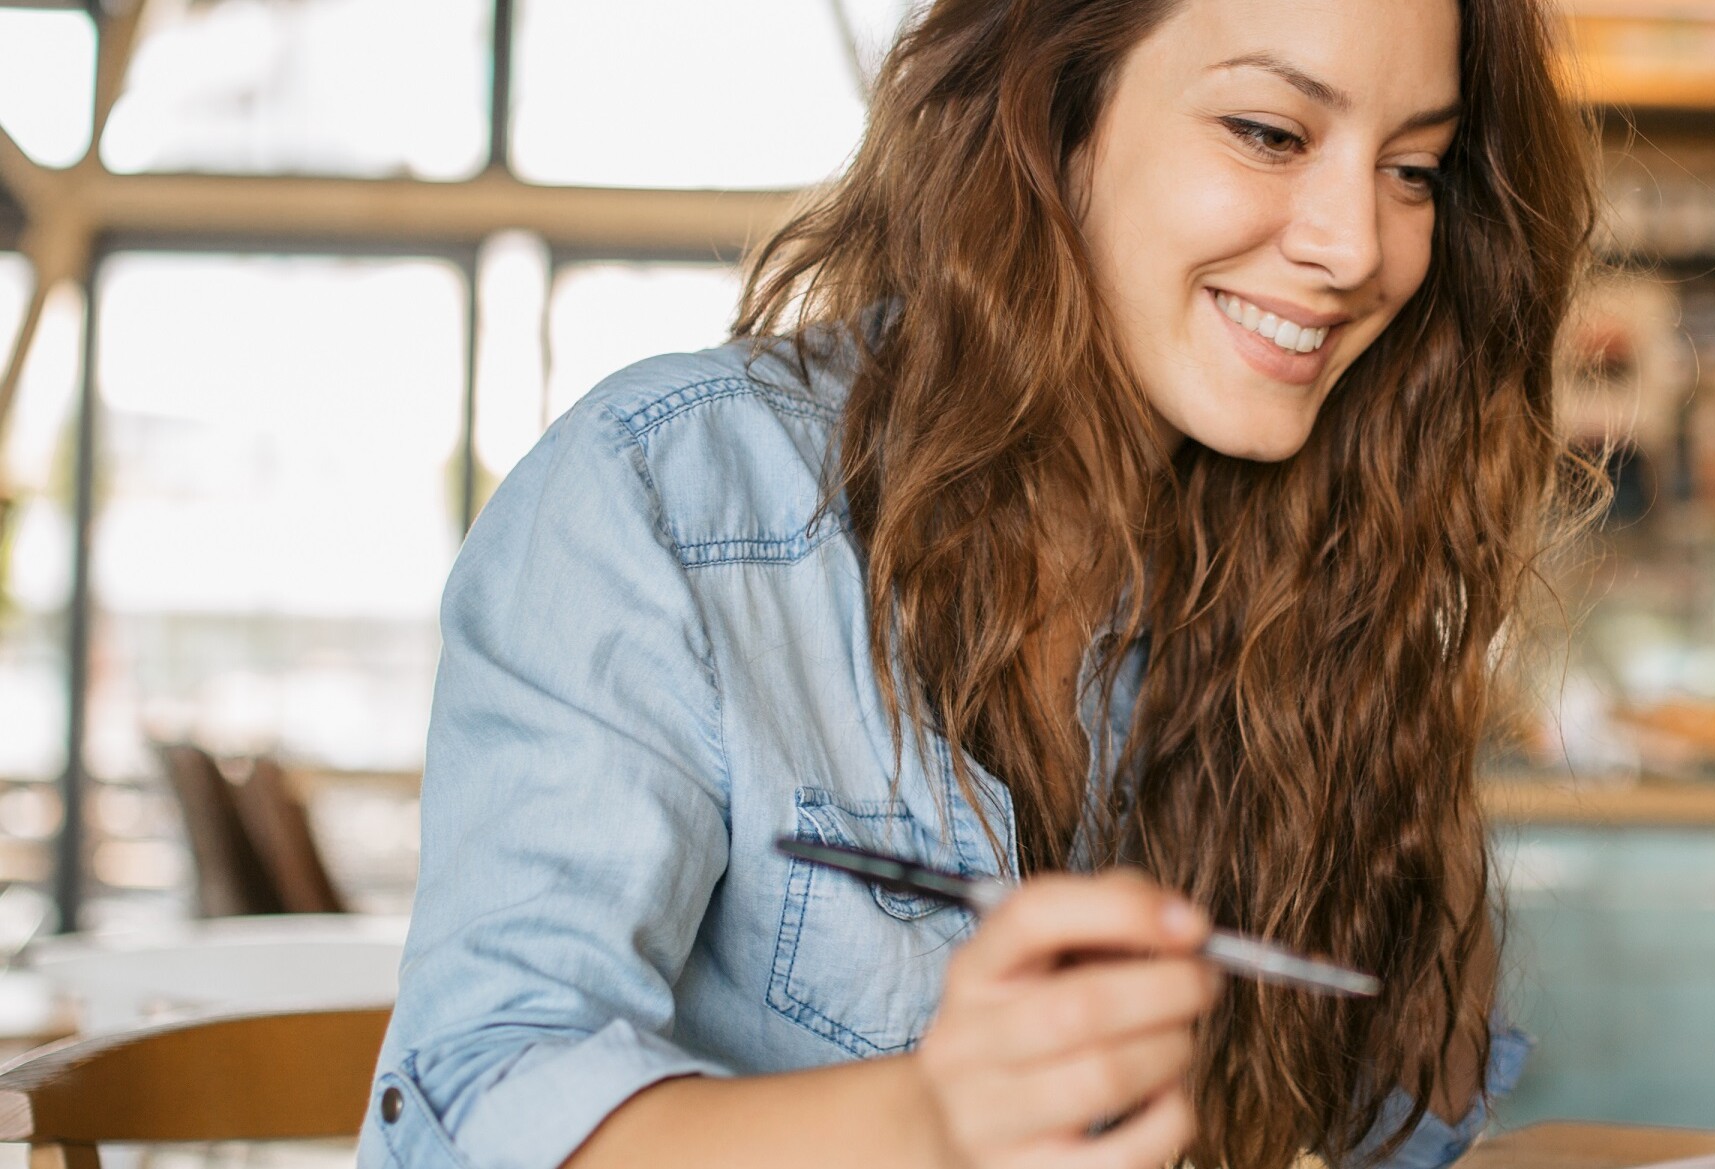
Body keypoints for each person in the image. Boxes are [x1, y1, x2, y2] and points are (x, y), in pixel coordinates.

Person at [360, 0, 1596, 1166]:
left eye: (1414, 170)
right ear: (1052, 107)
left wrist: (1389, 732)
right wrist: (931, 1117)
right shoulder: (666, 501)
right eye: (1270, 133)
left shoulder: (1321, 565)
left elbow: (1401, 1127)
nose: (1355, 247)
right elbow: (472, 1108)